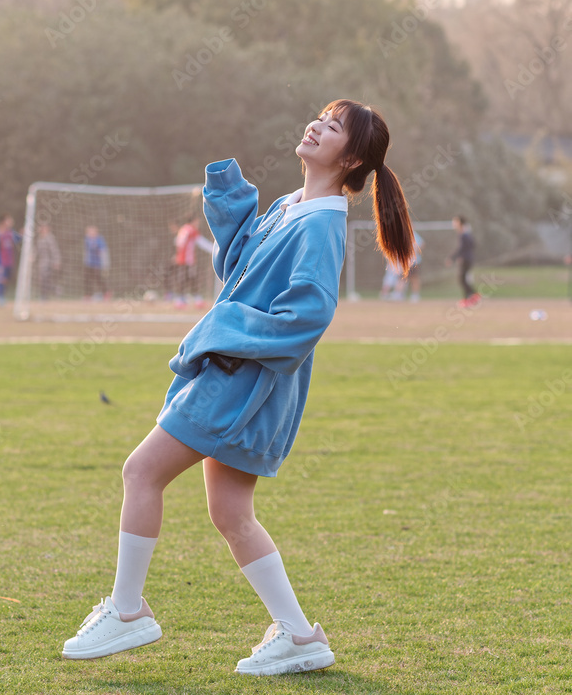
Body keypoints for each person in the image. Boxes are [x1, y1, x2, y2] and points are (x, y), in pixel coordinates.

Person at [61, 99, 415, 676]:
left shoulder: (323, 223)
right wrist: (229, 202)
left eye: (334, 126)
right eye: (321, 115)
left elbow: (307, 316)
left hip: (239, 379)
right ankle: (301, 637)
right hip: (244, 379)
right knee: (231, 511)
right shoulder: (290, 205)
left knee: (140, 471)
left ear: (350, 158)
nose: (318, 125)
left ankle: (127, 613)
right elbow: (240, 269)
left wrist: (227, 330)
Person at [445, 216, 479, 306]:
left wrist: (453, 258)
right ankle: (470, 297)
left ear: (460, 223)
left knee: (462, 279)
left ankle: (472, 296)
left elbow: (461, 248)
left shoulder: (464, 234)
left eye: (455, 222)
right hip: (468, 258)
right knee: (463, 279)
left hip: (466, 259)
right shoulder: (466, 233)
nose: (453, 224)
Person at [0, 214, 22, 306]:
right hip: (0, 261)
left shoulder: (11, 233)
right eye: (9, 220)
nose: (11, 222)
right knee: (0, 279)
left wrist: (23, 233)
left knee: (6, 280)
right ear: (3, 222)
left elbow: (19, 239)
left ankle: (3, 296)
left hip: (9, 261)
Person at [36, 223, 62, 300]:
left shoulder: (50, 238)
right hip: (41, 262)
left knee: (45, 279)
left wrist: (57, 261)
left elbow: (54, 250)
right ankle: (56, 290)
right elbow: (37, 250)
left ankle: (44, 296)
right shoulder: (39, 238)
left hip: (49, 262)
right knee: (42, 279)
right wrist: (32, 256)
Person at [83, 225, 110, 299]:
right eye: (88, 232)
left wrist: (105, 265)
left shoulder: (100, 240)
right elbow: (86, 252)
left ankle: (106, 293)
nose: (90, 233)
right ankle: (88, 295)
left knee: (99, 279)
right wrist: (85, 261)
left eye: (92, 231)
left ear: (96, 232)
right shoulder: (87, 239)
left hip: (98, 264)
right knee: (87, 280)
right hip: (89, 264)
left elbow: (104, 252)